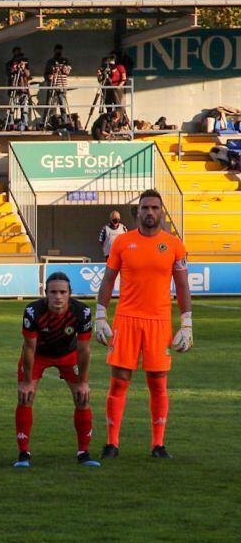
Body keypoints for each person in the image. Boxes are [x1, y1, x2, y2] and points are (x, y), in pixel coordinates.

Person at [95, 189, 192, 460]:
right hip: (126, 320)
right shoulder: (122, 242)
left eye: (154, 208)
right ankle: (112, 444)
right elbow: (108, 280)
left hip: (159, 322)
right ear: (137, 212)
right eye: (145, 208)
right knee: (118, 382)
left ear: (161, 211)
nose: (149, 212)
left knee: (158, 384)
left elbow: (183, 286)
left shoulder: (174, 245)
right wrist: (100, 315)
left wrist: (187, 323)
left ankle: (158, 445)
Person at [13, 272, 99, 468]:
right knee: (26, 397)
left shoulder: (82, 312)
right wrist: (26, 382)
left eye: (62, 292)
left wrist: (84, 382)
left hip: (68, 355)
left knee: (82, 397)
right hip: (38, 355)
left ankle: (83, 452)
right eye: (53, 292)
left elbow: (84, 349)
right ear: (46, 293)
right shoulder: (33, 311)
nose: (58, 297)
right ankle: (23, 453)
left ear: (70, 293)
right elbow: (29, 347)